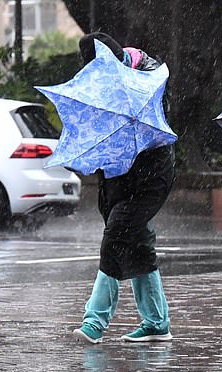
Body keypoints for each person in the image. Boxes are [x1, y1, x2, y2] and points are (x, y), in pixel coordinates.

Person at [72, 32, 175, 344]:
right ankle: (157, 323)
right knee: (138, 244)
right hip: (116, 175)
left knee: (116, 235)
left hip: (150, 177)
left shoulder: (148, 75)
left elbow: (158, 127)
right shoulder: (100, 80)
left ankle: (95, 321)